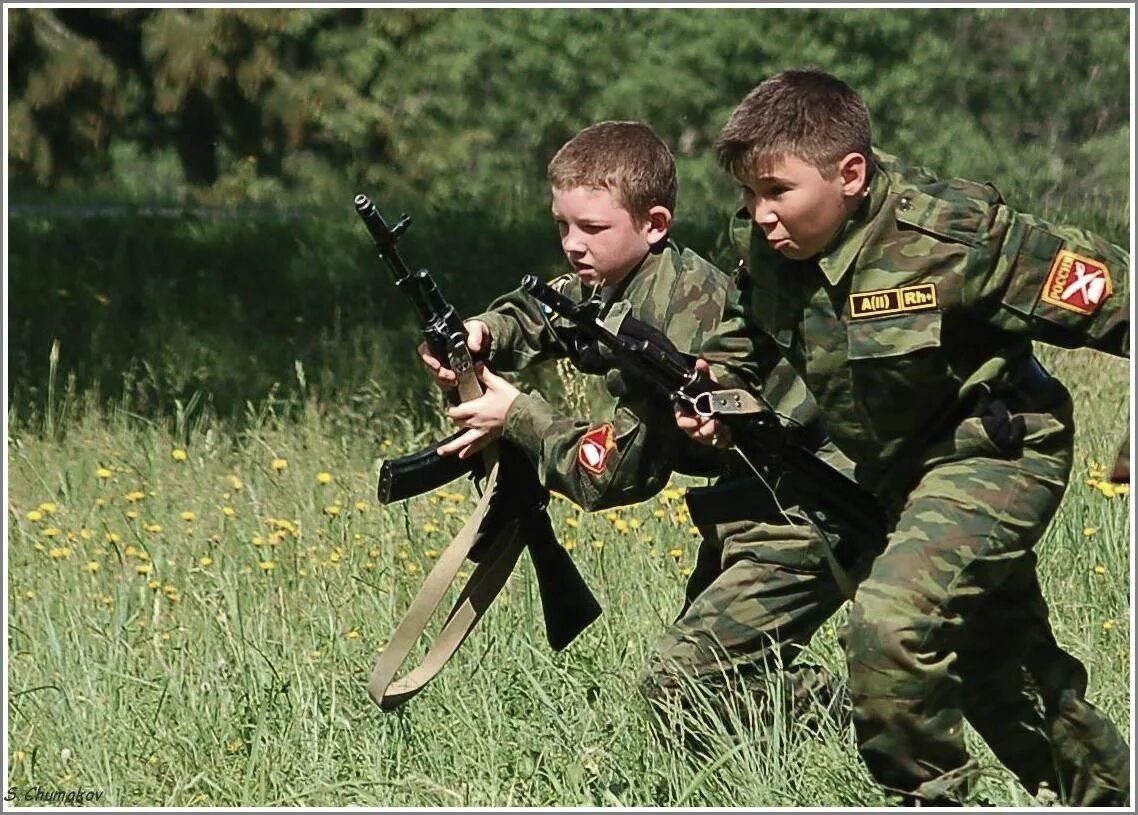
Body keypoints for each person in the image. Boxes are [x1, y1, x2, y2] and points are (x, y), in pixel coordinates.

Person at [679, 67, 1130, 805]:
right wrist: (719, 395)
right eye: (749, 195)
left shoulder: (954, 237)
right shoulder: (769, 245)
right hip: (897, 474)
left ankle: (928, 796)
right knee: (1005, 675)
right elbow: (743, 336)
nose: (759, 214)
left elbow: (1119, 299)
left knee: (889, 627)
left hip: (995, 452)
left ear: (850, 173)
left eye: (777, 191)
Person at [418, 120, 883, 736]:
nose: (572, 245)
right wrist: (481, 333)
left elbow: (612, 473)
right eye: (563, 225)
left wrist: (516, 415)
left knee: (685, 680)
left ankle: (878, 714)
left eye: (592, 228)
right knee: (696, 703)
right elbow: (548, 309)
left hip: (815, 503)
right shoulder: (621, 279)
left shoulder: (674, 327)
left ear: (655, 224)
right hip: (756, 499)